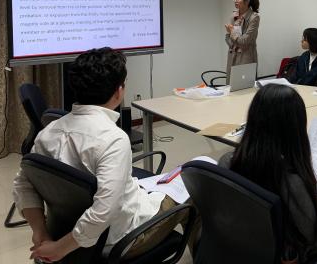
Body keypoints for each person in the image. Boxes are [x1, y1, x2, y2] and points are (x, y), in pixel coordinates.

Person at [12, 48, 194, 262]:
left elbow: (22, 183)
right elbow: (103, 213)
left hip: (65, 230)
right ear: (119, 91)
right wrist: (59, 249)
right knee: (195, 188)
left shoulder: (49, 131)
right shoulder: (113, 139)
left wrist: (40, 233)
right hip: (119, 239)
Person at [219, 84, 317, 263]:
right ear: (294, 129)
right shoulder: (290, 183)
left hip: (246, 251)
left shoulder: (228, 162)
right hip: (295, 256)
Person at [225, 0, 260, 82]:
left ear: (247, 1)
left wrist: (232, 33)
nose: (235, 1)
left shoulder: (254, 17)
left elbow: (245, 41)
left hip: (246, 57)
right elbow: (227, 38)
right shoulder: (233, 15)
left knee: (244, 86)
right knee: (231, 86)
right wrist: (233, 40)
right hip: (232, 56)